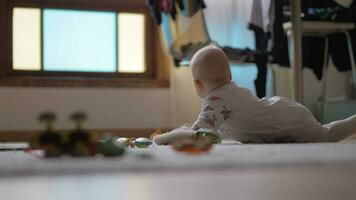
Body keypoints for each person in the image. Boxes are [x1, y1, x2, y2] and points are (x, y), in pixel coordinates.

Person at [153, 45, 356, 144]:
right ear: (230, 74)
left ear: (197, 84)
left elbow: (199, 135)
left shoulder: (216, 100)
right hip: (283, 113)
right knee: (319, 133)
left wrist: (162, 139)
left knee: (326, 135)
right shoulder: (231, 93)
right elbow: (213, 128)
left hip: (288, 119)